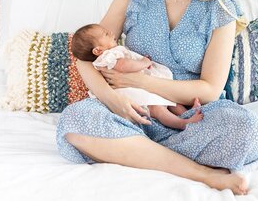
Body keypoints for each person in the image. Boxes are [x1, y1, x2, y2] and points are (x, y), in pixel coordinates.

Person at [57, 0, 258, 195]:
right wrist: (113, 101)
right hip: (132, 109)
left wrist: (141, 81)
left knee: (250, 132)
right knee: (75, 120)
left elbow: (209, 89)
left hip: (189, 114)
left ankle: (132, 151)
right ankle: (203, 173)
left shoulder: (220, 9)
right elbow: (85, 56)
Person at [71, 22, 204, 130]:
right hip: (134, 95)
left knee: (167, 100)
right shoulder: (108, 56)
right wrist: (143, 63)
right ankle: (181, 123)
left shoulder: (108, 54)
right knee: (158, 109)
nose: (111, 33)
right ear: (97, 50)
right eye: (106, 34)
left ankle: (186, 114)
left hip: (140, 86)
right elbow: (124, 66)